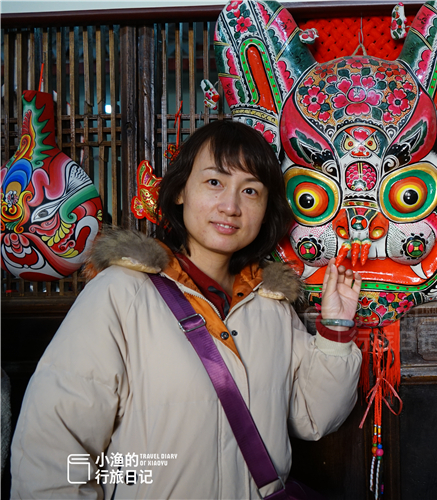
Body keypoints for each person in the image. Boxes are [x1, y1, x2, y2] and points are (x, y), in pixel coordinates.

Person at [10, 120, 363, 499]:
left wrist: (336, 327)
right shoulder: (120, 294)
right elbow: (55, 449)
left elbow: (313, 416)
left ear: (265, 209)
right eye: (214, 182)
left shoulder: (270, 306)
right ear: (179, 191)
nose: (230, 206)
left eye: (250, 191)